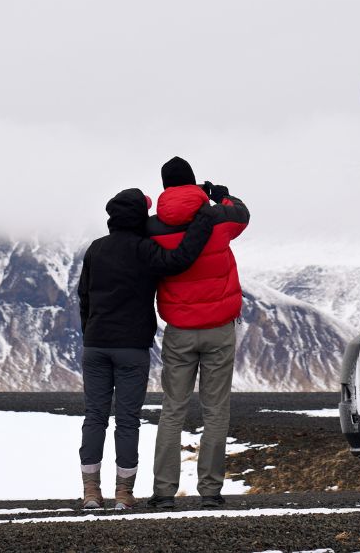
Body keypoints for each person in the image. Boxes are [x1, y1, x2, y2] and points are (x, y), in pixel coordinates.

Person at [76, 188, 216, 511]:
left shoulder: (96, 250)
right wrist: (202, 222)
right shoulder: (144, 249)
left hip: (96, 345)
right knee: (127, 420)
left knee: (94, 417)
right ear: (140, 217)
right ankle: (123, 494)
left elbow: (83, 297)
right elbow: (180, 259)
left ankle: (90, 493)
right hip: (131, 348)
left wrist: (91, 333)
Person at [147, 156, 250, 510]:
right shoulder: (218, 219)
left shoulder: (154, 228)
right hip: (220, 330)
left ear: (164, 188)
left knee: (172, 409)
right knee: (215, 410)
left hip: (179, 332)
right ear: (193, 183)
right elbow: (242, 213)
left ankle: (163, 492)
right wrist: (221, 195)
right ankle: (210, 492)